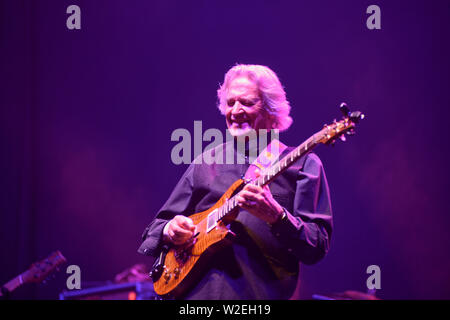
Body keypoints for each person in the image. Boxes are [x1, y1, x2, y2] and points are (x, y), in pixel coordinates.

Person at [138, 64, 333, 300]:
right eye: (230, 103)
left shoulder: (304, 165)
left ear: (272, 109)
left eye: (247, 103)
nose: (236, 111)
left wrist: (277, 216)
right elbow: (158, 225)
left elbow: (317, 247)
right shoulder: (205, 163)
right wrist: (170, 229)